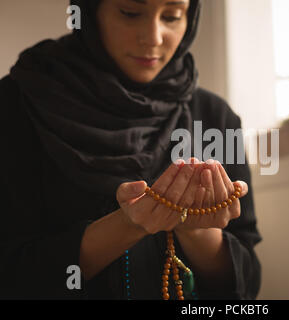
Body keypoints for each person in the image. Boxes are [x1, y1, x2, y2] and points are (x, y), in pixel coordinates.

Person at [0, 0, 262, 299]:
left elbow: (246, 285)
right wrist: (126, 226)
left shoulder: (214, 116)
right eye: (130, 12)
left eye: (172, 16)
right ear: (89, 12)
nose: (153, 37)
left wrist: (195, 229)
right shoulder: (17, 103)